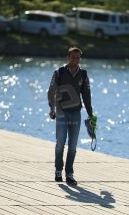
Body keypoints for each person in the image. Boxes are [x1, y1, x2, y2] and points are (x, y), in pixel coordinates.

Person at [48, 46, 96, 186]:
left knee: (73, 146)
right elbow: (51, 92)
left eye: (78, 58)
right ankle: (58, 171)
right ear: (68, 57)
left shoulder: (83, 74)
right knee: (60, 143)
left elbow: (86, 95)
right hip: (61, 111)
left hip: (76, 112)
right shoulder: (59, 72)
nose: (75, 60)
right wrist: (52, 109)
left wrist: (90, 114)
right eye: (73, 57)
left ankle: (69, 173)